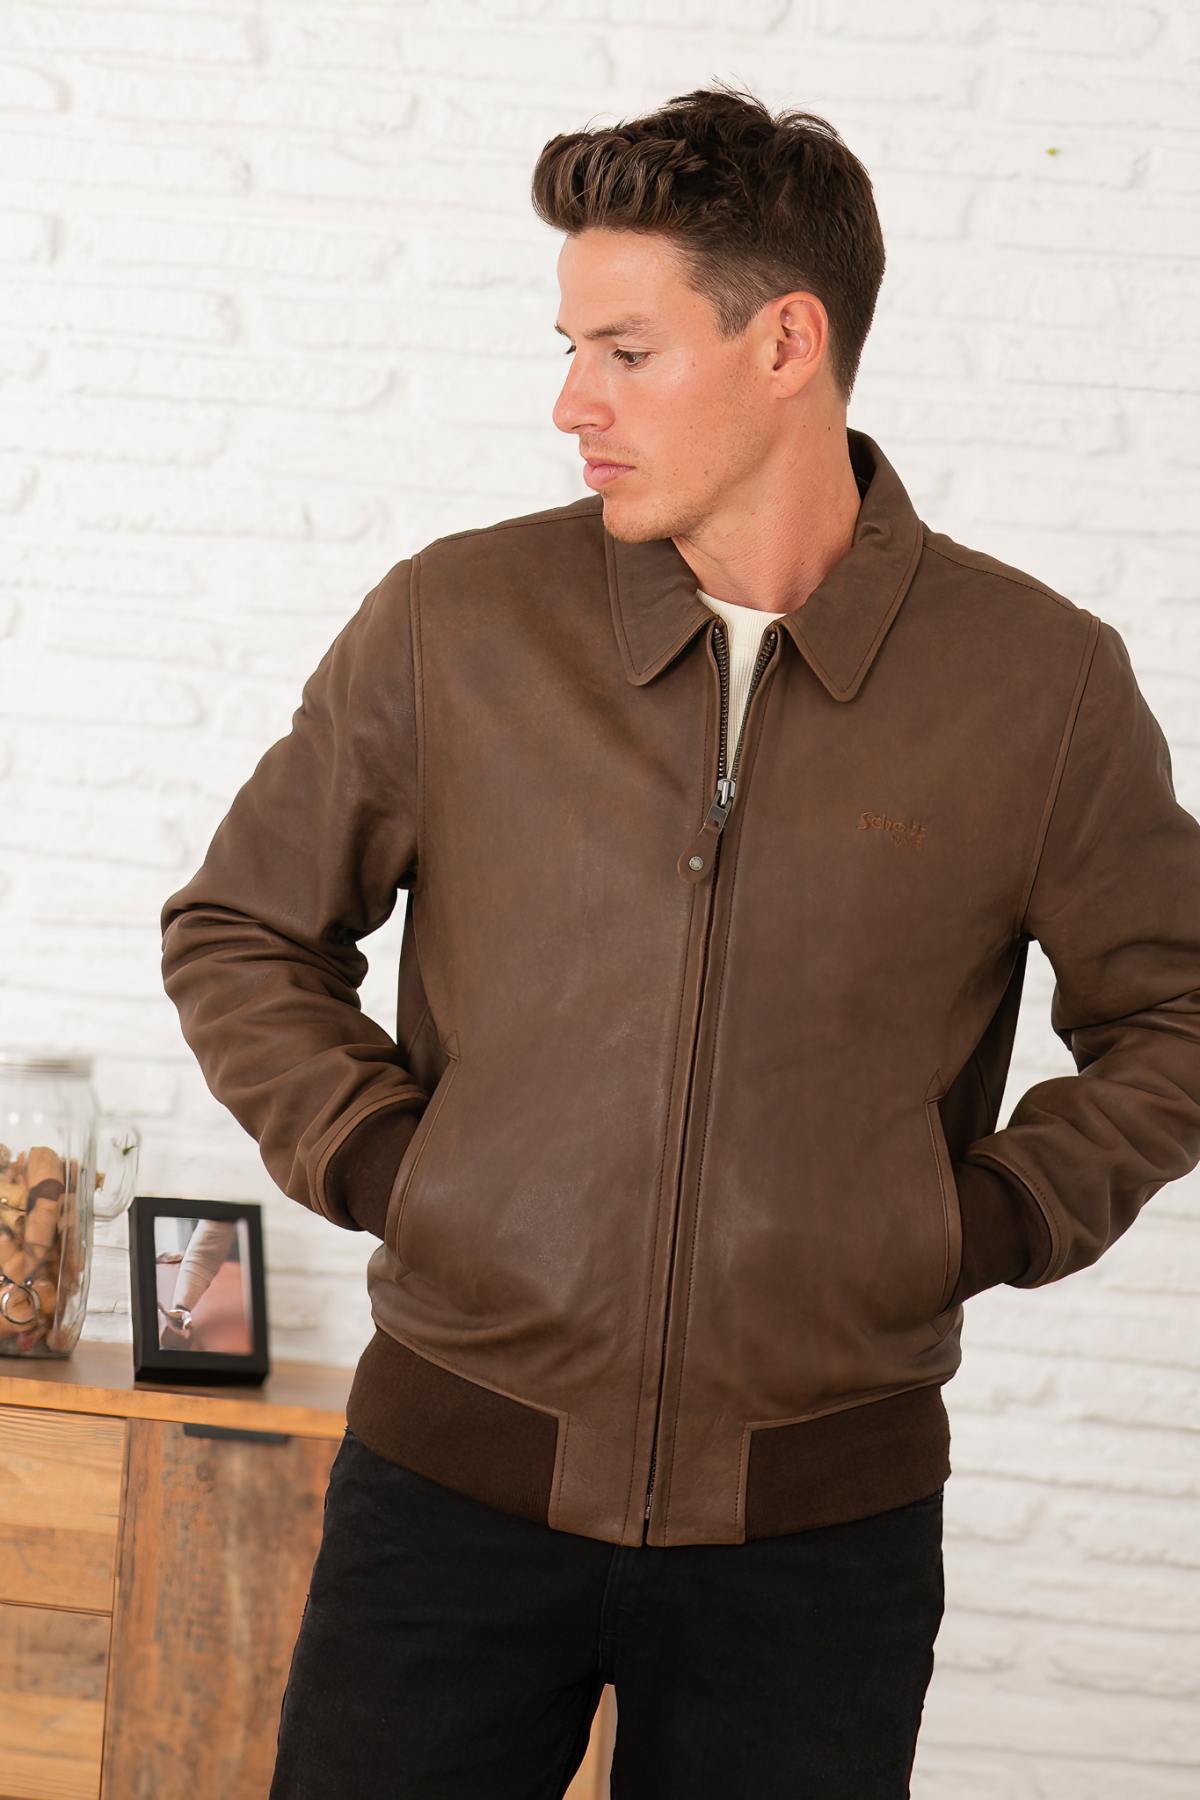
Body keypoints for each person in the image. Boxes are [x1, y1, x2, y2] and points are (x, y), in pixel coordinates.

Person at [159, 81, 1200, 1799]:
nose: (573, 401)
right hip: (447, 1498)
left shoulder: (1039, 685)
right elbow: (241, 928)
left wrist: (988, 1217)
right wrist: (399, 1168)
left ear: (787, 341)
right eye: (573, 348)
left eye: (627, 352)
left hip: (821, 1544)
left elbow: (1177, 1012)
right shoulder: (460, 623)